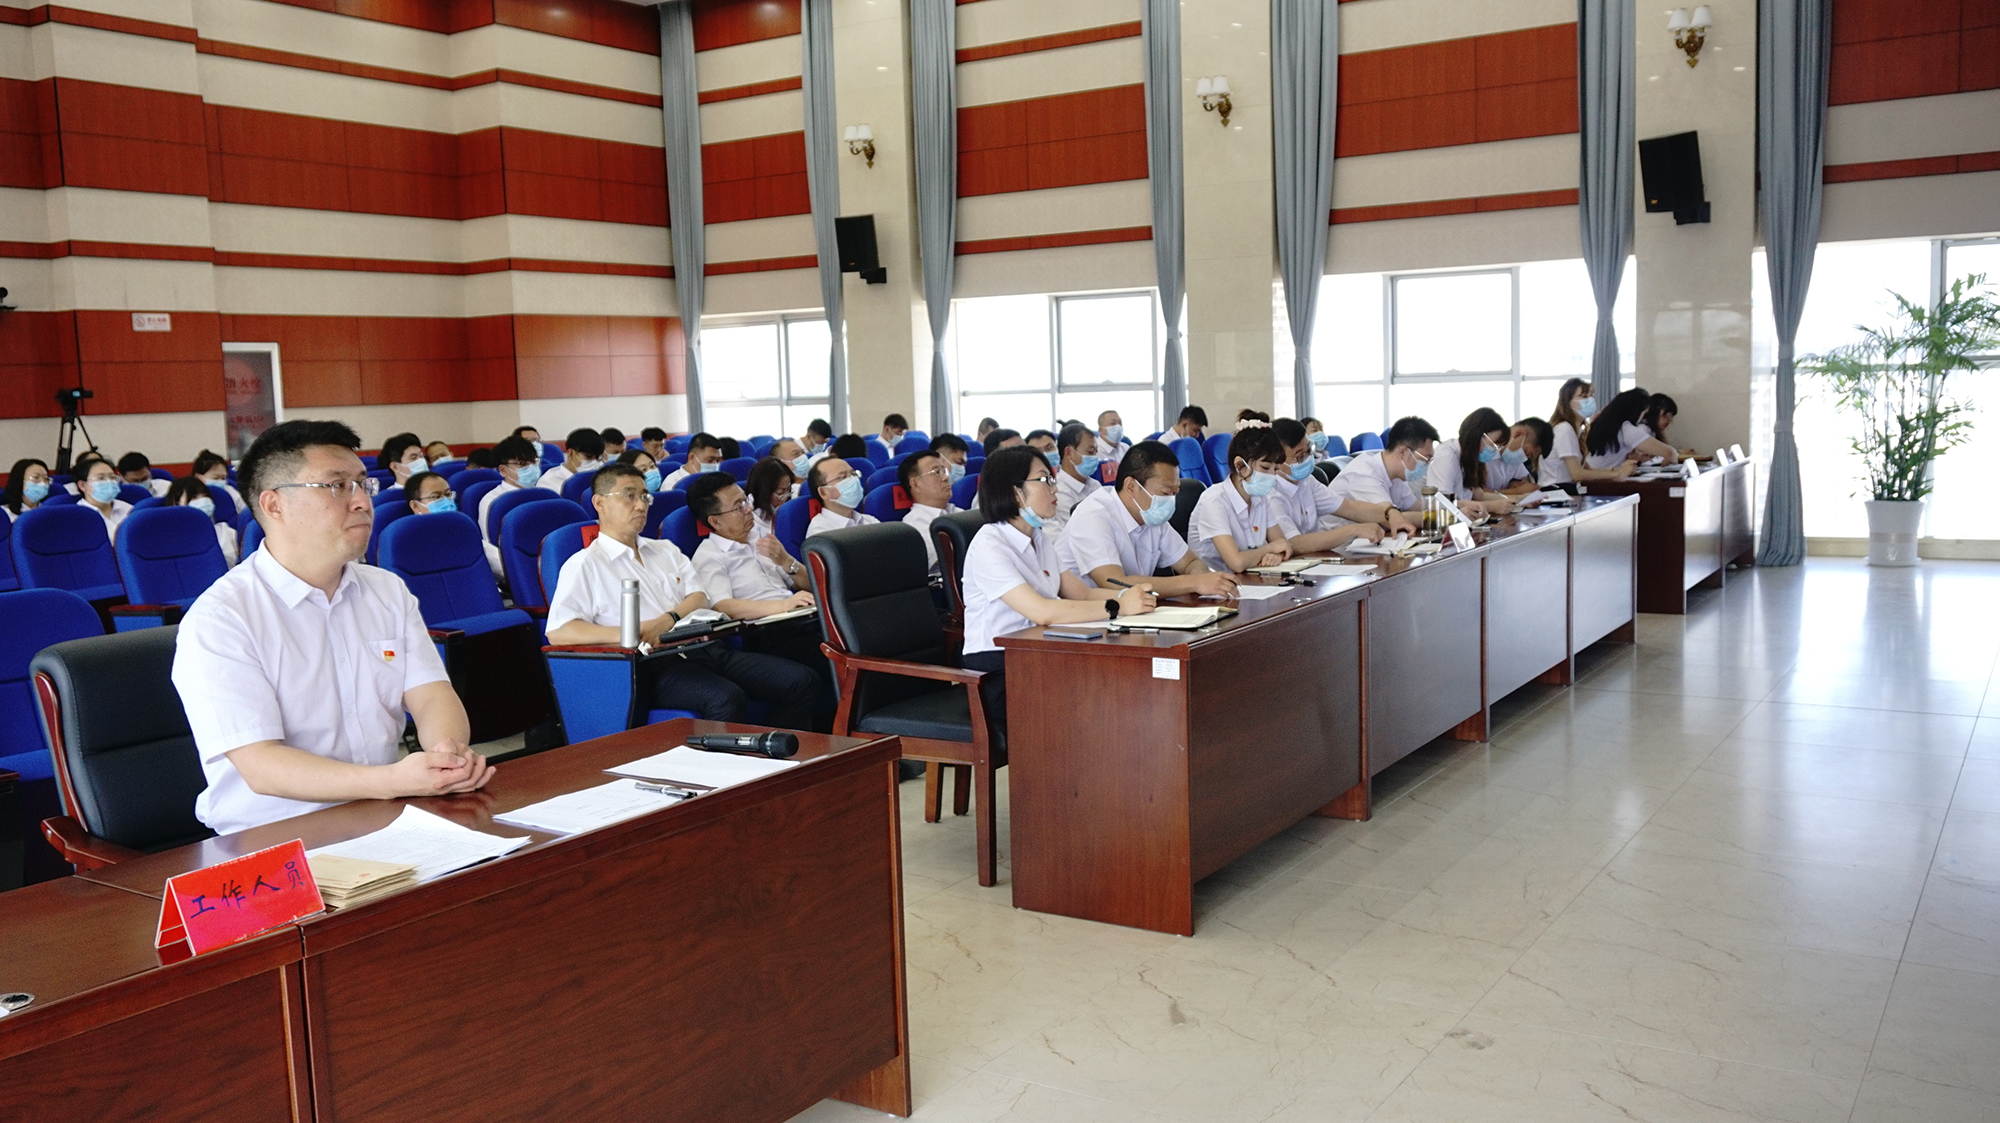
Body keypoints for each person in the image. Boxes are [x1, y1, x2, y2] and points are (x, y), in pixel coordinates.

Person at [172, 419, 490, 837]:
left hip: (382, 813)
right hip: (273, 836)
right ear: (274, 505)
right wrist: (393, 781)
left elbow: (432, 695)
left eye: (363, 484)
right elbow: (261, 766)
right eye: (338, 486)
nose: (362, 502)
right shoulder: (222, 618)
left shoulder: (386, 590)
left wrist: (446, 754)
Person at [546, 464, 818, 730]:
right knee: (725, 698)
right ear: (600, 503)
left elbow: (699, 597)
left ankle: (769, 749)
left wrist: (667, 621)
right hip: (655, 665)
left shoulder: (664, 550)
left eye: (644, 497)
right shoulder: (585, 564)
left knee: (802, 681)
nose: (640, 506)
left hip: (706, 649)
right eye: (629, 496)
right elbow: (560, 632)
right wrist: (635, 631)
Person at [959, 446, 1157, 722]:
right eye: (1045, 480)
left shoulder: (1039, 538)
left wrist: (1130, 595)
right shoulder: (989, 546)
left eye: (1053, 479)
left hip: (1038, 653)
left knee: (1119, 688)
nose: (1055, 488)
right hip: (998, 669)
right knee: (1099, 701)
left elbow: (1082, 593)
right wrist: (1118, 606)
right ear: (1014, 491)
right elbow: (1042, 611)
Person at [1058, 441, 1238, 598]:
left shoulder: (1151, 516)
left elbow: (1191, 562)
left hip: (1131, 611)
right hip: (1083, 616)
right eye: (1165, 493)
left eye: (1175, 493)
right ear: (1131, 486)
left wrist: (1203, 578)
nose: (1171, 501)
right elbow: (1115, 583)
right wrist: (1194, 583)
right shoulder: (1093, 516)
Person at [1267, 419, 1386, 554]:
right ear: (1276, 461)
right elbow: (1294, 543)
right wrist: (1354, 530)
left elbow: (1347, 507)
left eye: (1309, 450)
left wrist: (1389, 513)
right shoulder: (1270, 493)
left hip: (1314, 558)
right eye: (1300, 456)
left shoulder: (1307, 481)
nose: (1308, 458)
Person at [1187, 425, 1293, 572]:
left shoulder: (1260, 498)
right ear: (1239, 465)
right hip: (1215, 581)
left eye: (1275, 470)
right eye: (1265, 467)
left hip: (1250, 577)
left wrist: (1277, 555)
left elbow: (1283, 545)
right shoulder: (1214, 500)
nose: (1271, 476)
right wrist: (1270, 549)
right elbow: (1236, 563)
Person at [1322, 416, 1437, 532]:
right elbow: (1390, 520)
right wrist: (1438, 517)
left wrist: (1441, 511)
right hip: (1339, 542)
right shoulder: (1364, 472)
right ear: (1403, 452)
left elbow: (1417, 507)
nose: (1426, 465)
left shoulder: (1397, 476)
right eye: (1425, 459)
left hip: (1369, 539)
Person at [1428, 408, 1520, 516]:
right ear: (1477, 435)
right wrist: (1492, 506)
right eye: (1494, 444)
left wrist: (1514, 500)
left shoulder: (1470, 458)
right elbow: (1442, 503)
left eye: (1499, 447)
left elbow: (1479, 495)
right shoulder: (1447, 458)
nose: (1495, 451)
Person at [1541, 378, 1633, 487]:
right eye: (1584, 397)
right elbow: (1577, 474)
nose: (1590, 400)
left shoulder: (1576, 430)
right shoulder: (1564, 429)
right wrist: (1616, 474)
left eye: (1591, 396)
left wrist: (1617, 470)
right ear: (1567, 402)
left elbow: (1588, 470)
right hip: (1557, 491)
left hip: (1567, 489)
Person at [1585, 388, 1682, 469]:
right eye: (1644, 412)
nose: (1642, 417)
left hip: (1595, 475)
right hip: (1600, 479)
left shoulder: (1608, 425)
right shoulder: (1626, 429)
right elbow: (1670, 453)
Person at [896, 449, 959, 573]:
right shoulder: (914, 525)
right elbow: (948, 559)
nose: (946, 477)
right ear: (915, 484)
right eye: (936, 472)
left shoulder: (959, 511)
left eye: (944, 471)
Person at [163, 475, 240, 565]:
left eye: (205, 496)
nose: (203, 501)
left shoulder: (224, 531)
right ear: (175, 504)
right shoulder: (169, 540)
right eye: (194, 497)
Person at [477, 435, 541, 535]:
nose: (531, 468)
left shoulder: (542, 494)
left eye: (533, 462)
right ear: (503, 470)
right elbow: (490, 540)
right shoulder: (492, 502)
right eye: (522, 463)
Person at [1049, 422, 1102, 538]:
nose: (1095, 457)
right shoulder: (1059, 491)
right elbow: (1080, 533)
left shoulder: (1095, 485)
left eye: (1096, 452)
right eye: (1090, 452)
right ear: (1069, 453)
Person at [805, 456, 878, 537]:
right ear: (823, 492)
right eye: (843, 477)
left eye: (853, 473)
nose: (853, 479)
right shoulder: (820, 532)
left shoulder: (869, 521)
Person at [78, 457, 133, 540]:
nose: (109, 482)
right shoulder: (78, 516)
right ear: (82, 485)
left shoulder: (128, 509)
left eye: (112, 477)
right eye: (101, 478)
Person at [540, 427, 605, 493]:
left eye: (598, 457)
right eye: (589, 457)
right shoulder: (549, 483)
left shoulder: (601, 478)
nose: (594, 462)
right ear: (570, 453)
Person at [745, 456, 797, 538]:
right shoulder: (751, 521)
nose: (785, 497)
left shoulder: (790, 509)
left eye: (788, 489)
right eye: (780, 492)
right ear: (763, 491)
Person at [1643, 393, 1697, 460]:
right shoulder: (1642, 430)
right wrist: (1679, 455)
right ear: (1655, 411)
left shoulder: (1654, 432)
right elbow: (1650, 459)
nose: (1669, 420)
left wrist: (1679, 454)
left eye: (1671, 416)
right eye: (1667, 414)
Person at [2, 457, 52, 521]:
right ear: (19, 481)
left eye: (46, 478)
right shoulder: (4, 514)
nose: (43, 483)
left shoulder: (49, 510)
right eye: (36, 477)